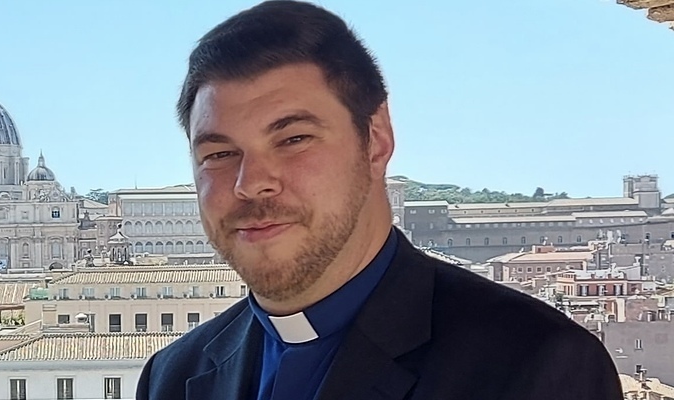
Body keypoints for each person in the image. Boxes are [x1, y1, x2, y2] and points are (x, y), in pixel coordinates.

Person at [136, 1, 624, 399]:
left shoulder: (534, 363)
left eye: (293, 139)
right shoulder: (173, 377)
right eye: (220, 154)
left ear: (375, 140)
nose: (250, 183)